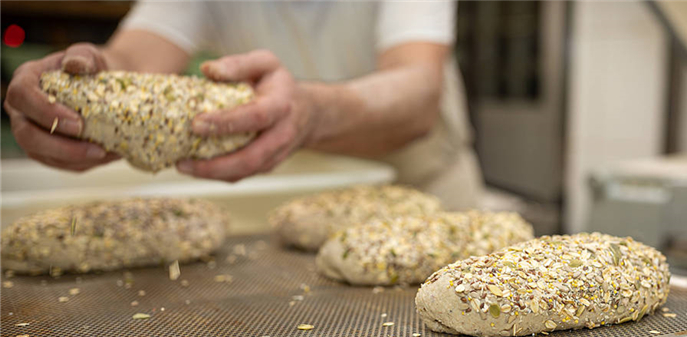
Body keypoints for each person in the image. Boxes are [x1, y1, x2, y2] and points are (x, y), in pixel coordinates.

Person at [4, 1, 484, 209]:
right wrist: (74, 85)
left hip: (424, 190)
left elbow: (417, 91)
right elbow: (130, 61)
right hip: (301, 190)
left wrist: (309, 111)